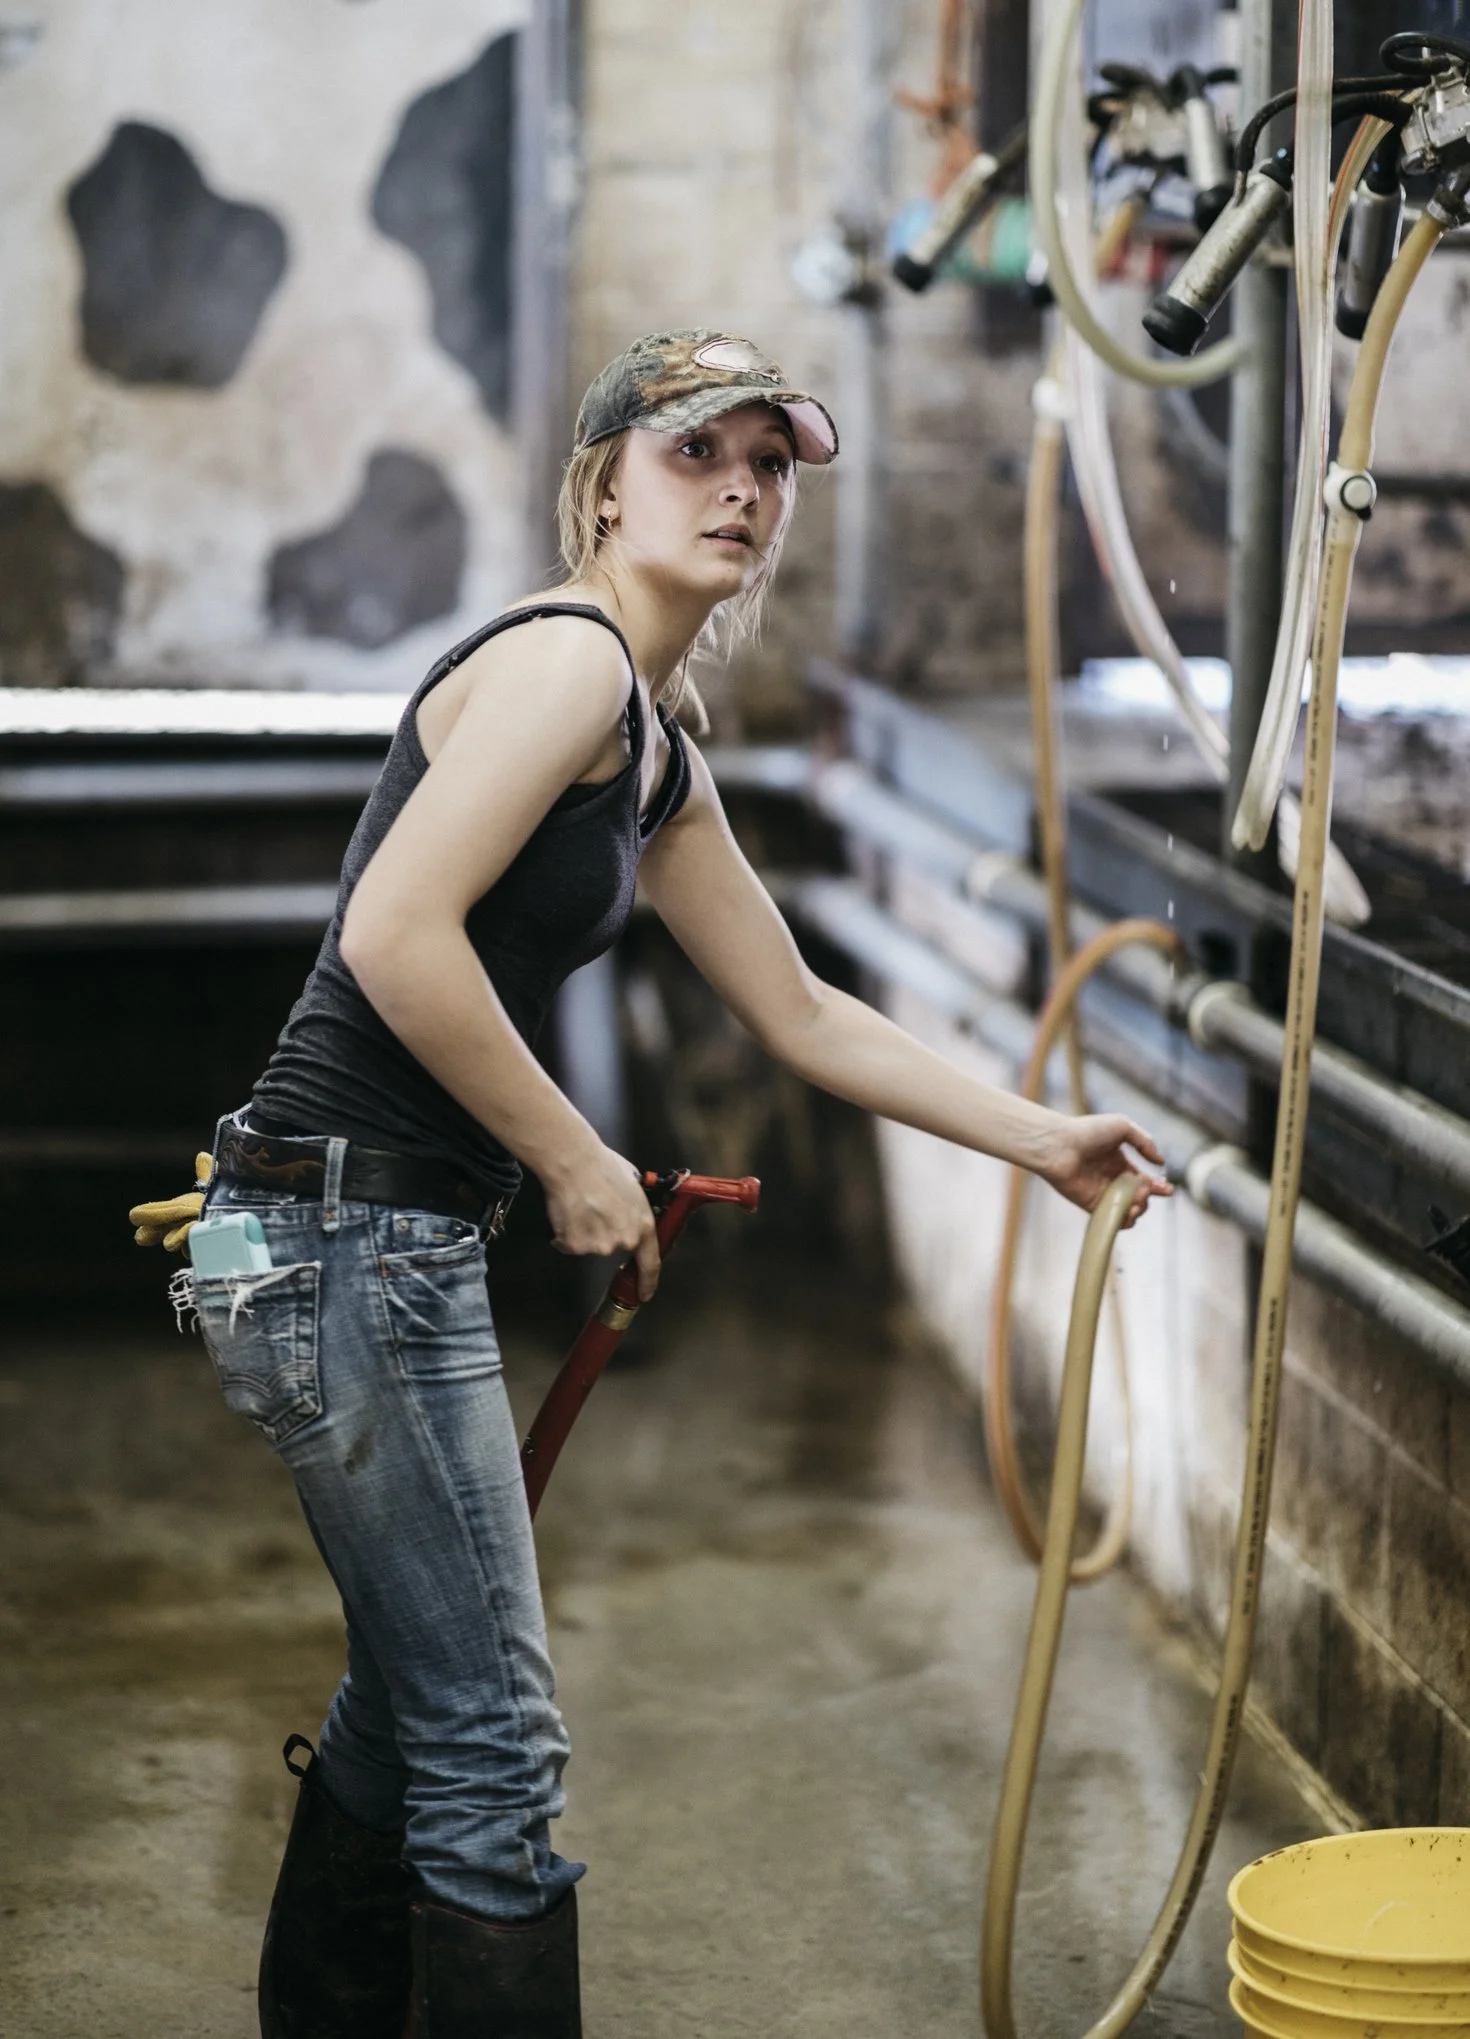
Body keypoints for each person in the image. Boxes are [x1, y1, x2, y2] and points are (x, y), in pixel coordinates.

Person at [144, 330, 1171, 2039]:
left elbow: (799, 1007)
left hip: (337, 1230)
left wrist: (1038, 1136)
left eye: (770, 465)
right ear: (603, 483)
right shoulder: (562, 666)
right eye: (701, 455)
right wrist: (570, 1155)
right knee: (491, 1746)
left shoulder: (653, 743)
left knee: (415, 1710)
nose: (744, 491)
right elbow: (392, 937)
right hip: (338, 1231)